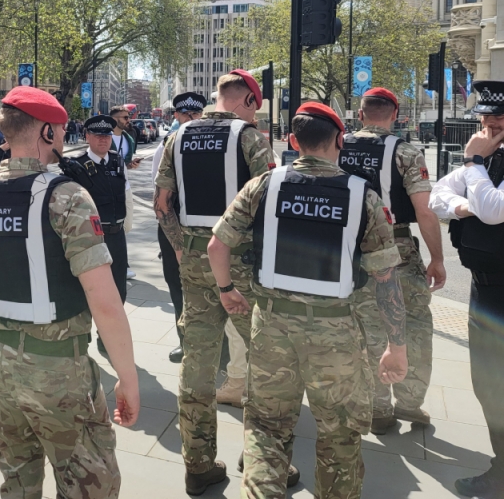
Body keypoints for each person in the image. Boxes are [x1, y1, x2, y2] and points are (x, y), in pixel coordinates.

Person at [207, 101, 409, 499]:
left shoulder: (264, 185)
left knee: (267, 429)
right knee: (339, 436)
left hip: (273, 330)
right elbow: (387, 279)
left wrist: (227, 290)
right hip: (335, 332)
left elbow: (217, 245)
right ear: (339, 140)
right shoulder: (361, 196)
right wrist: (396, 346)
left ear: (293, 140)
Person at [0, 85, 139, 498]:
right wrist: (127, 377)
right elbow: (105, 303)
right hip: (60, 372)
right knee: (90, 483)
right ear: (48, 133)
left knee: (18, 477)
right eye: (62, 129)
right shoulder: (68, 198)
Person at [153, 70, 284, 495]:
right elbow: (268, 204)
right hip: (240, 260)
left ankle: (198, 461)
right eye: (256, 104)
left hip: (192, 255)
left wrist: (180, 246)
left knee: (198, 358)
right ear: (246, 100)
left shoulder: (180, 136)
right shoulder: (249, 138)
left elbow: (161, 203)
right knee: (265, 360)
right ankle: (262, 458)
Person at [338, 87, 445, 434]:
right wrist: (437, 258)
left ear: (360, 113)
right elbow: (424, 211)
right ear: (396, 116)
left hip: (352, 249)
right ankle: (410, 403)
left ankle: (377, 407)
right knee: (412, 323)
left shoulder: (339, 146)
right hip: (396, 246)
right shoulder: (406, 152)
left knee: (367, 326)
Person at [430, 79, 504, 497]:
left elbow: (494, 212)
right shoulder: (488, 162)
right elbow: (440, 194)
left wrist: (475, 164)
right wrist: (464, 205)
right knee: (488, 384)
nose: (489, 124)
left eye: (499, 117)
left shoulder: (481, 160)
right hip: (483, 288)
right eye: (485, 116)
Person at [61, 115, 130, 355]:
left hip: (116, 234)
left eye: (107, 135)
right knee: (87, 287)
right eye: (98, 136)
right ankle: (83, 334)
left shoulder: (117, 161)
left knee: (119, 288)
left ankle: (106, 335)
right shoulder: (75, 166)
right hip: (91, 237)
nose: (104, 140)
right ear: (87, 136)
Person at [152, 91, 205, 364]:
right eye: (186, 114)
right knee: (178, 287)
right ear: (176, 116)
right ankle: (185, 342)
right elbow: (161, 201)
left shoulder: (216, 145)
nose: (192, 119)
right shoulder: (167, 146)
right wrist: (177, 245)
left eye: (196, 114)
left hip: (208, 230)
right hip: (175, 228)